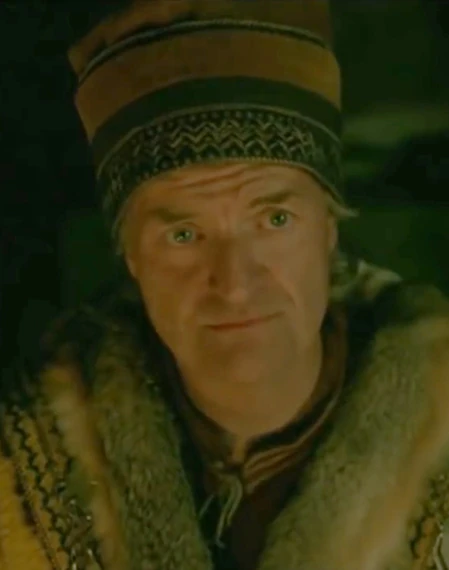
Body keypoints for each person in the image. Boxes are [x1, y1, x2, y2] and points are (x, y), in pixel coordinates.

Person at [1, 1, 449, 569]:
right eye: (184, 235)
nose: (235, 284)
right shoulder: (21, 478)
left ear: (328, 230)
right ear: (131, 257)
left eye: (275, 220)